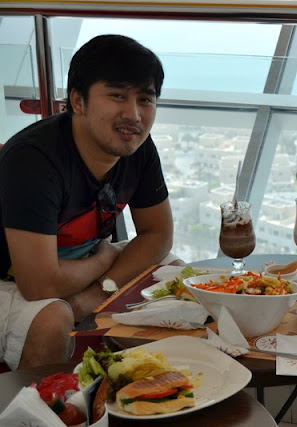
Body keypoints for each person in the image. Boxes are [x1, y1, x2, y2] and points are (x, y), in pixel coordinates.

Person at [0, 34, 182, 370]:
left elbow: (158, 233)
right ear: (78, 101)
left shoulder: (135, 146)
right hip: (11, 280)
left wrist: (98, 291)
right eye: (117, 96)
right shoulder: (34, 159)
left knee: (172, 272)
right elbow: (39, 284)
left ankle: (140, 401)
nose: (134, 114)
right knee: (53, 317)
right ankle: (45, 418)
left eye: (145, 99)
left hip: (79, 269)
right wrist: (104, 261)